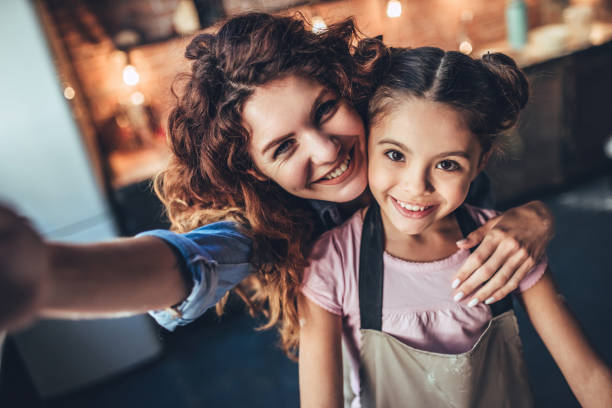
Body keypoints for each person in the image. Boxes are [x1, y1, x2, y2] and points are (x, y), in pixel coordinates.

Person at [0, 14, 553, 361]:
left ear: (348, 87)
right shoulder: (276, 225)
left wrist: (533, 217)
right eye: (283, 147)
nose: (326, 150)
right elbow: (187, 263)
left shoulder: (401, 115)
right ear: (255, 172)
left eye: (326, 110)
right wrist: (48, 276)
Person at [298, 47, 612, 407]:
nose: (417, 187)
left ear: (480, 163)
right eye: (396, 155)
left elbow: (588, 376)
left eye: (447, 164)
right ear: (365, 141)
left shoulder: (507, 246)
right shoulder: (331, 262)